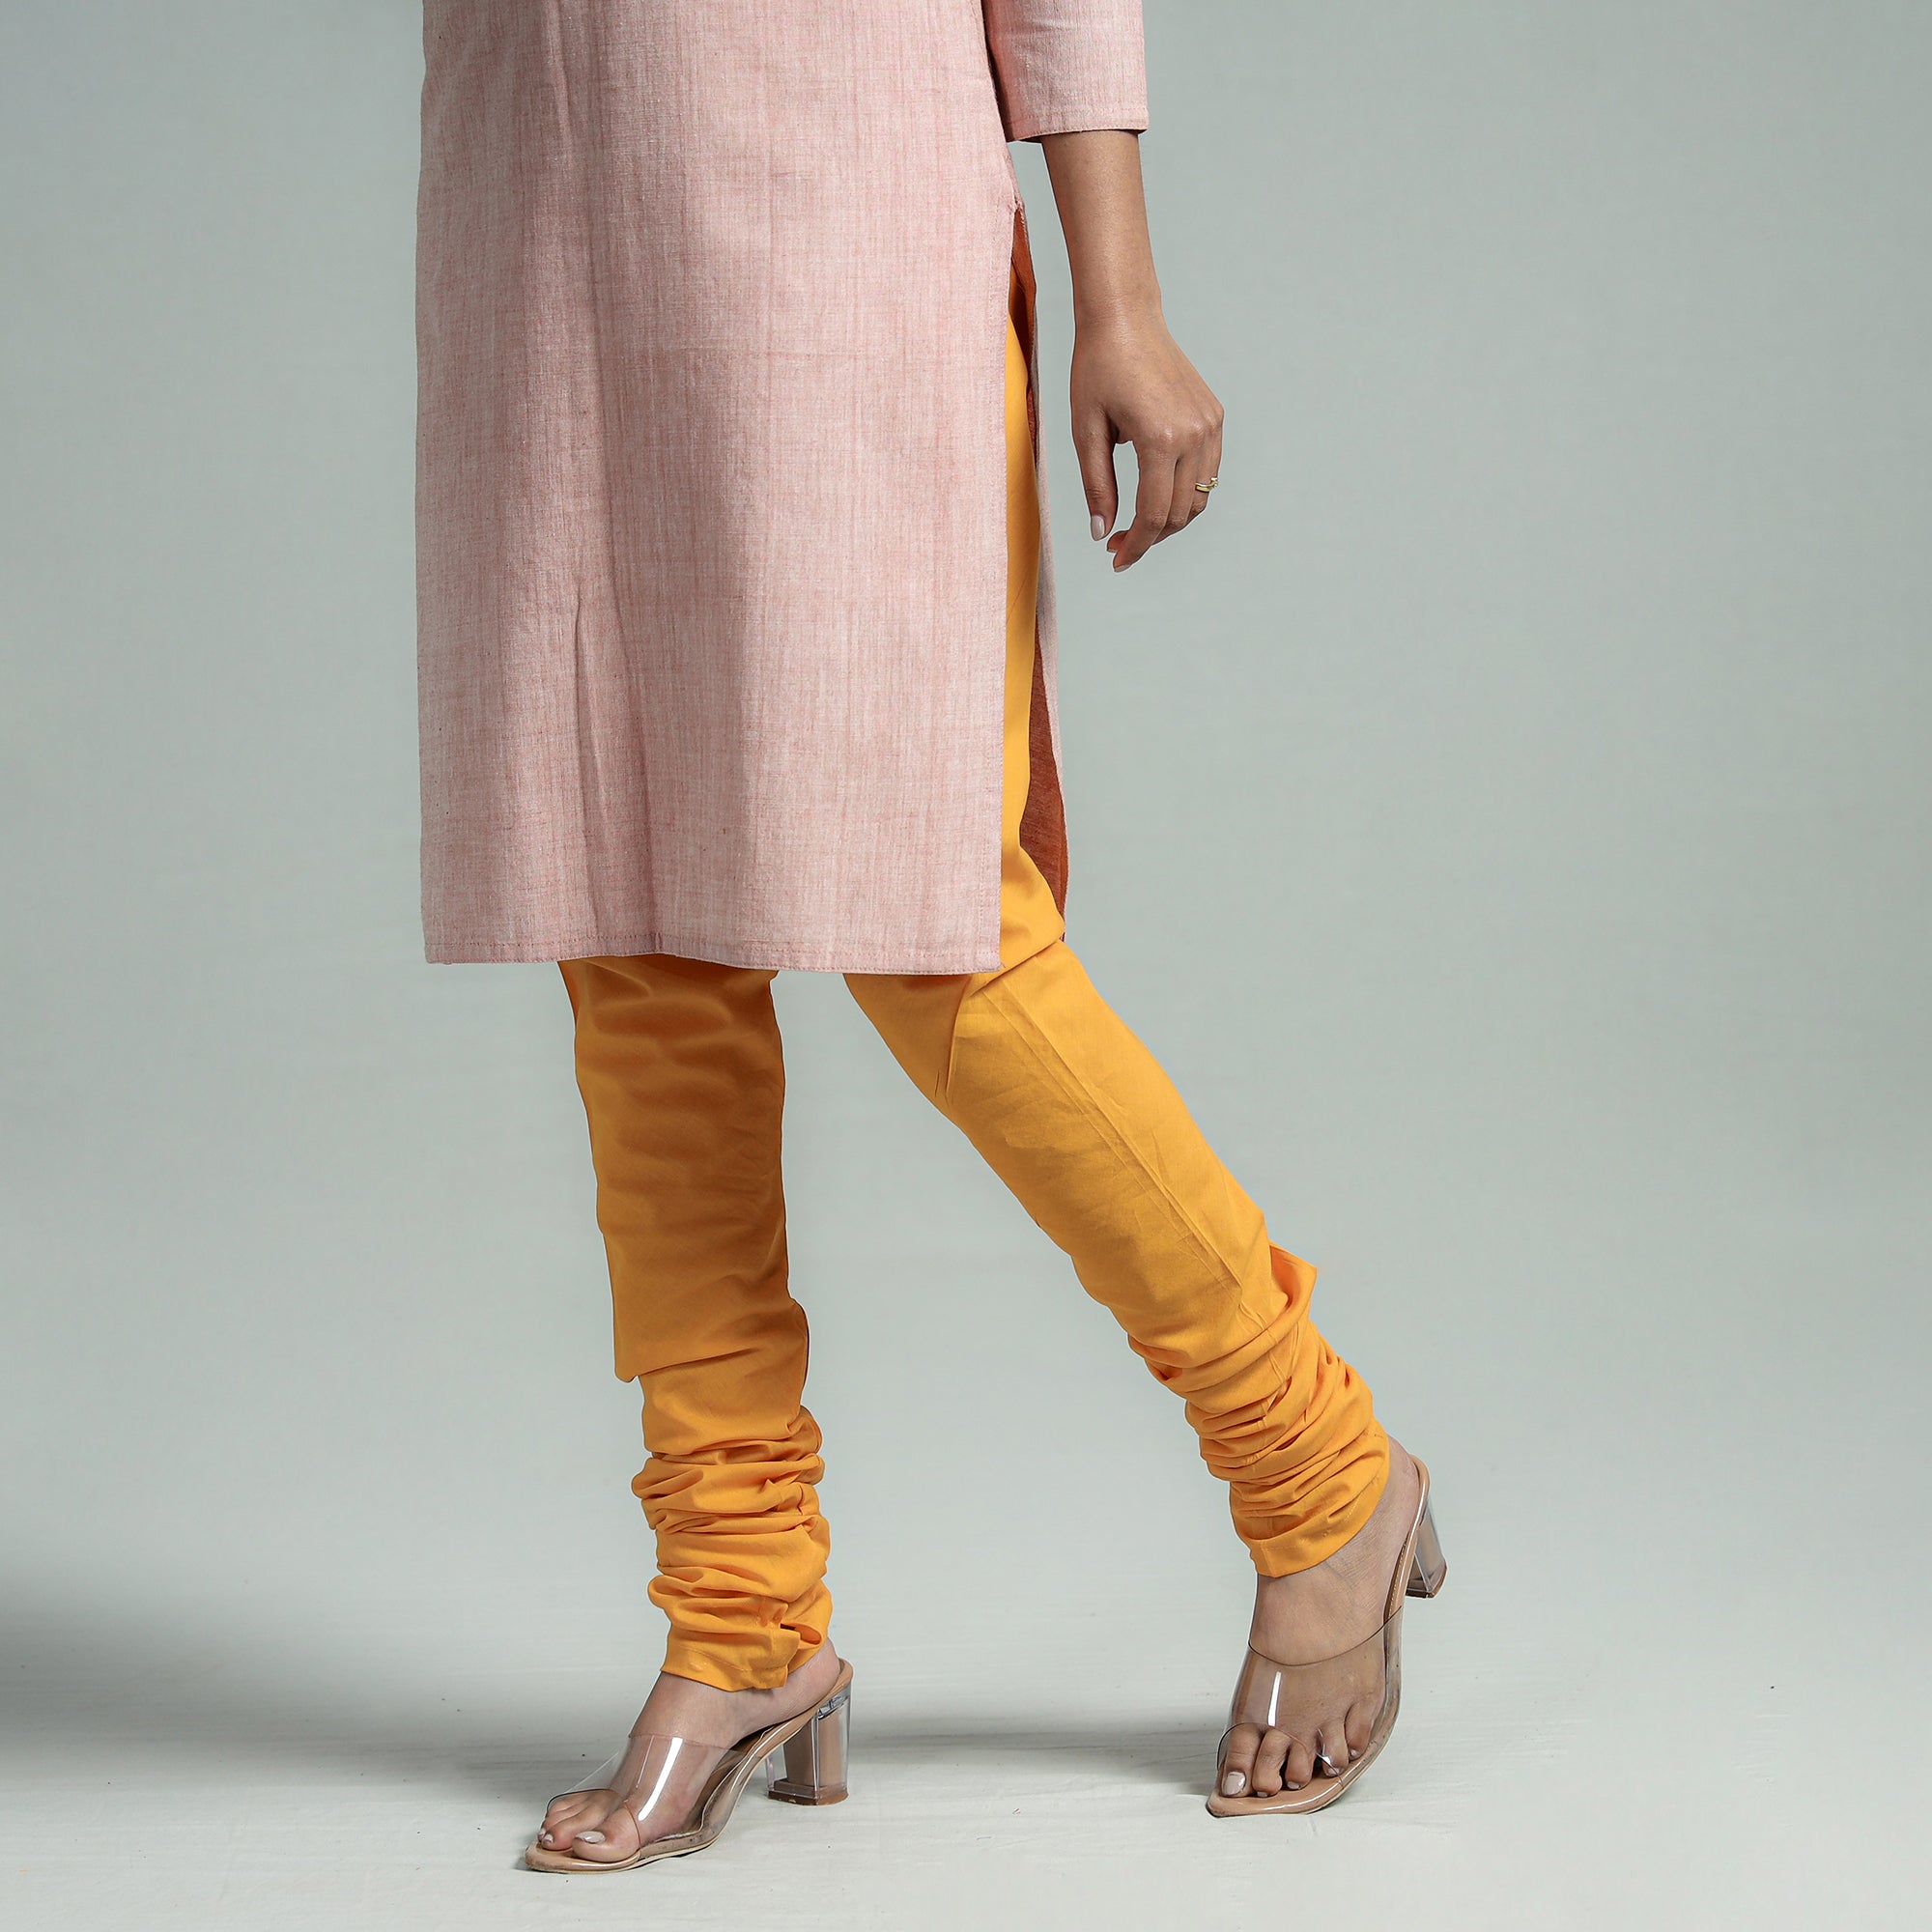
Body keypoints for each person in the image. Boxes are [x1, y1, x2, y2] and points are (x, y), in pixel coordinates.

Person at [412, 1, 1444, 1873]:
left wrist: (1122, 300)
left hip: (836, 229)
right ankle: (742, 1614)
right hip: (547, 240)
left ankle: (1316, 1464)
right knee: (633, 941)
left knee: (938, 925)